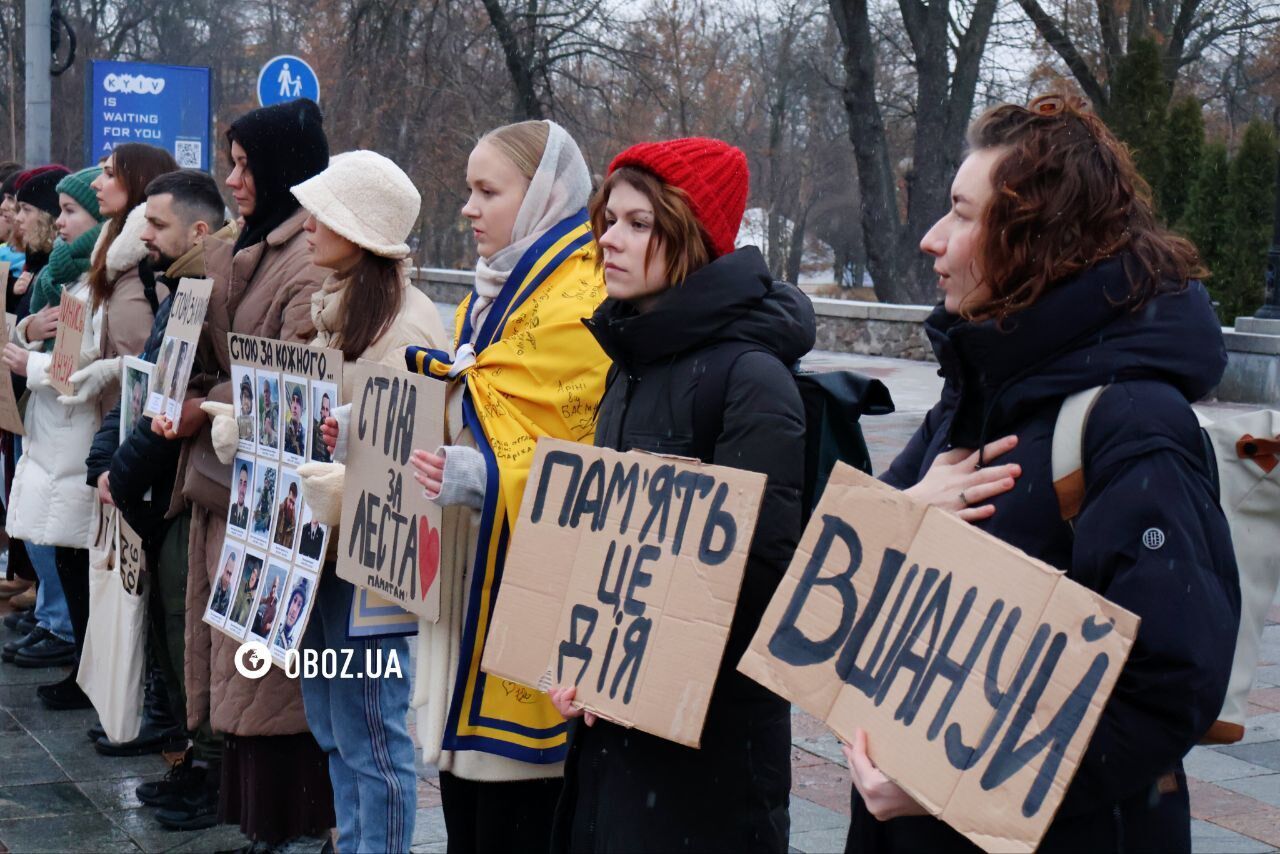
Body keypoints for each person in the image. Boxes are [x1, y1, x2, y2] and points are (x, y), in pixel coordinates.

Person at [840, 94, 1240, 853]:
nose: (932, 240)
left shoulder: (1134, 423)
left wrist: (961, 785)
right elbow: (846, 573)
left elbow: (1169, 685)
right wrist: (904, 513)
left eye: (961, 215)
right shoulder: (979, 389)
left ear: (1035, 241)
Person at [545, 138, 813, 852]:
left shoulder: (751, 379)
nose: (609, 238)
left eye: (638, 223)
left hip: (711, 759)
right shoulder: (630, 363)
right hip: (617, 740)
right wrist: (586, 655)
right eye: (609, 218)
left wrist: (631, 664)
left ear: (689, 236)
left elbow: (758, 578)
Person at [400, 119, 609, 852]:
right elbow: (471, 403)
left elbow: (588, 458)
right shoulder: (491, 294)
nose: (467, 207)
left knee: (516, 818)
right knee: (468, 809)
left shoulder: (586, 299)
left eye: (488, 190)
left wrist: (483, 474)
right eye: (468, 189)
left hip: (532, 601)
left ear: (545, 195)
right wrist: (374, 430)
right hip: (467, 584)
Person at [239, 149, 448, 854]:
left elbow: (408, 468)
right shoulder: (348, 305)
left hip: (369, 574)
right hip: (329, 560)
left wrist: (321, 467)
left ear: (359, 229)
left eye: (322, 212)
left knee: (370, 739)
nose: (305, 225)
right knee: (338, 728)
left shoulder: (405, 327)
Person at [161, 98, 334, 849]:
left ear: (280, 169)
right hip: (232, 482)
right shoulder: (253, 246)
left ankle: (294, 828)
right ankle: (269, 824)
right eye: (230, 164)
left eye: (243, 165)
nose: (232, 179)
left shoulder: (304, 257)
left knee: (271, 672)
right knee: (245, 668)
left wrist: (206, 402)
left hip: (271, 493)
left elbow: (300, 376)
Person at [83, 166, 233, 791]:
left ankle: (206, 762)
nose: (143, 233)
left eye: (156, 222)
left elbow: (169, 398)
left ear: (198, 229)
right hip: (162, 480)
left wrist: (119, 470)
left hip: (189, 483)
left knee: (185, 624)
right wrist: (107, 460)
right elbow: (146, 383)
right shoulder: (178, 287)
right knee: (173, 627)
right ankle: (187, 751)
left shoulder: (204, 289)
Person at [2, 166, 94, 681]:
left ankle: (64, 632)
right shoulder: (66, 272)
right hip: (49, 430)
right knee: (49, 539)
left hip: (70, 435)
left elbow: (73, 372)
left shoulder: (85, 280)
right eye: (55, 210)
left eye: (69, 211)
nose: (59, 222)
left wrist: (28, 357)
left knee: (65, 544)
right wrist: (27, 329)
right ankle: (55, 622)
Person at [272, 580, 307, 650]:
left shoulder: (295, 646)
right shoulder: (273, 627)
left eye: (299, 605)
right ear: (289, 603)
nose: (294, 609)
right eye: (294, 601)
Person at [229, 561, 261, 627]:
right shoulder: (241, 584)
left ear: (257, 579)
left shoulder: (254, 596)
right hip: (230, 621)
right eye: (253, 572)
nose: (253, 576)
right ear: (251, 572)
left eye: (256, 575)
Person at [209, 552, 236, 616]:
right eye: (227, 572)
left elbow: (225, 612)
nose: (227, 578)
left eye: (230, 574)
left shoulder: (229, 590)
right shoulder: (215, 583)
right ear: (224, 568)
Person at [272, 481, 297, 549]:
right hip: (278, 540)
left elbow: (293, 527)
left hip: (286, 543)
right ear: (290, 493)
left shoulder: (293, 511)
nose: (293, 502)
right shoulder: (281, 507)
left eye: (295, 498)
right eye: (293, 496)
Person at [283, 385, 305, 456]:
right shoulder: (284, 429)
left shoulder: (305, 434)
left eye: (298, 401)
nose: (294, 405)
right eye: (293, 400)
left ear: (301, 409)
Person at [310, 391, 331, 462]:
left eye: (327, 409)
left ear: (329, 413)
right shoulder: (315, 429)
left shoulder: (331, 434)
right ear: (320, 411)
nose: (324, 412)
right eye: (323, 408)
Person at [228, 463, 251, 530]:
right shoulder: (231, 508)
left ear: (247, 487)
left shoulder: (247, 513)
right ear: (237, 485)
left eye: (245, 484)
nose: (242, 488)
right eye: (240, 482)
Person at [259, 379, 278, 448]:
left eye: (267, 391)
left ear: (270, 393)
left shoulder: (274, 411)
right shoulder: (263, 414)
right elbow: (262, 435)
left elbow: (279, 439)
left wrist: (269, 429)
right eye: (264, 392)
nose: (265, 394)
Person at [237, 375, 254, 440]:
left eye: (249, 397)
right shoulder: (235, 422)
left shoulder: (256, 425)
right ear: (241, 398)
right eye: (245, 396)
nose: (247, 401)